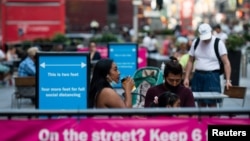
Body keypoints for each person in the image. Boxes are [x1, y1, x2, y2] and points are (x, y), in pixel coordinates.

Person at [183, 23, 232, 107]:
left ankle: (211, 120)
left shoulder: (218, 43)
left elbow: (226, 62)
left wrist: (227, 80)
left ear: (211, 32)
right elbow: (190, 60)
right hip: (198, 75)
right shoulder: (196, 42)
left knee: (212, 103)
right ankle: (202, 119)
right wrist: (187, 77)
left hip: (212, 76)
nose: (205, 39)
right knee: (200, 103)